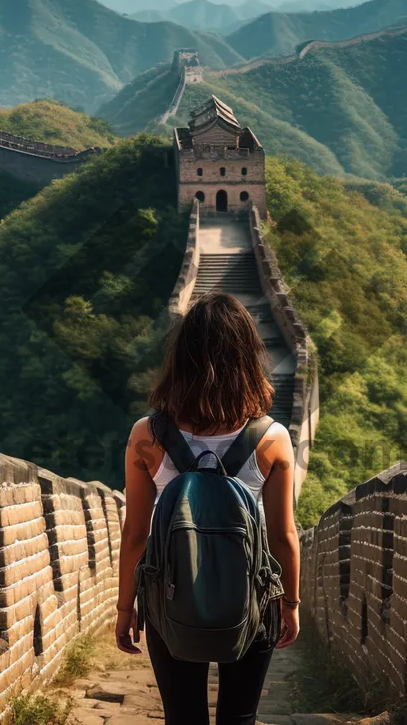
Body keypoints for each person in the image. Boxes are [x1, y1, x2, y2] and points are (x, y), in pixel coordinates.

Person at [115, 292, 301, 725]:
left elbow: (136, 535)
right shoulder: (271, 438)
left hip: (169, 597)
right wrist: (289, 603)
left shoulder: (147, 434)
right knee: (239, 718)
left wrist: (127, 608)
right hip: (251, 601)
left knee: (183, 717)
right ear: (248, 358)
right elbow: (282, 536)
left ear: (181, 357)